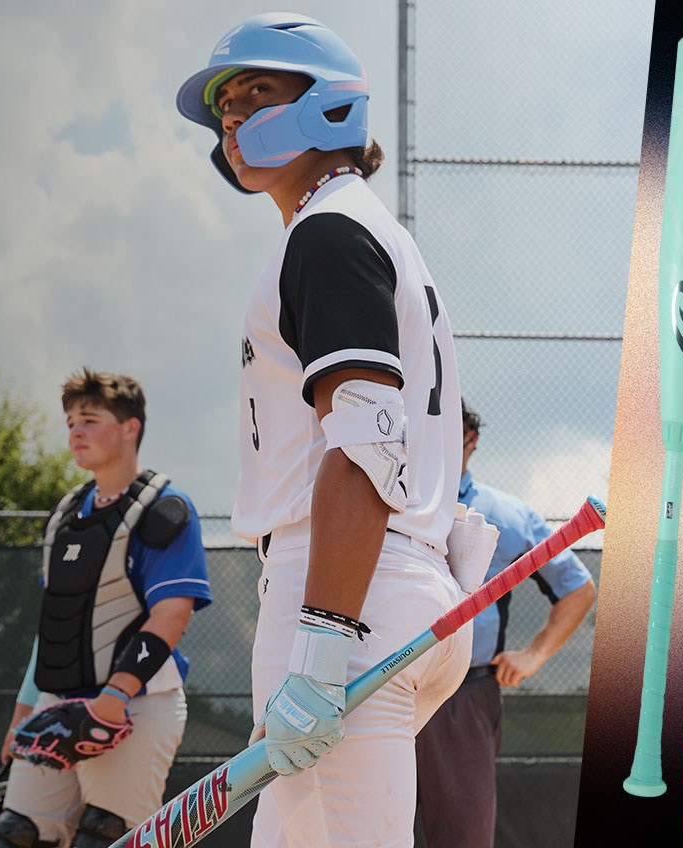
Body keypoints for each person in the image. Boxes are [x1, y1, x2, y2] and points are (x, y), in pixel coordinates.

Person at [175, 12, 471, 848]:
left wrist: (322, 646)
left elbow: (365, 444)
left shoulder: (330, 231)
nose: (233, 116)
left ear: (329, 104)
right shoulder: (355, 225)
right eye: (225, 104)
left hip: (347, 591)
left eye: (257, 91)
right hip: (380, 585)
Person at [0, 369, 212, 848]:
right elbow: (55, 626)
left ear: (131, 428)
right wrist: (23, 713)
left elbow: (170, 614)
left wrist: (114, 698)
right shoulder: (66, 514)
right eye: (69, 423)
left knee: (107, 837)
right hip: (57, 704)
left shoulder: (164, 508)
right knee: (13, 836)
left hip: (136, 704)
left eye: (89, 419)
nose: (75, 432)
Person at [415, 398, 597, 847]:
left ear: (470, 440)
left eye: (446, 434)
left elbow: (577, 587)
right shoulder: (383, 503)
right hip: (375, 685)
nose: (431, 443)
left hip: (462, 696)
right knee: (362, 828)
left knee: (462, 837)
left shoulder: (507, 516)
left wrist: (534, 653)